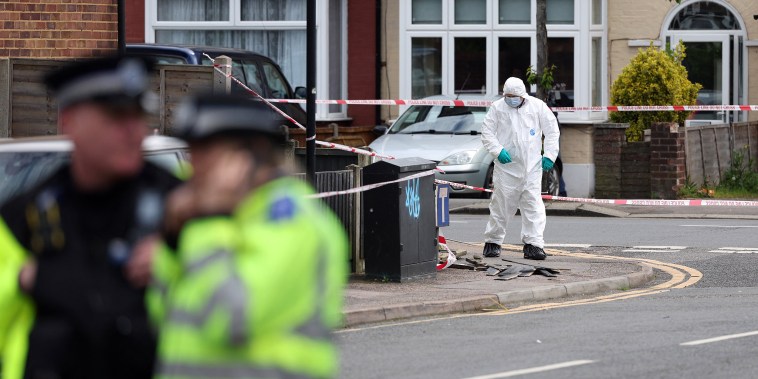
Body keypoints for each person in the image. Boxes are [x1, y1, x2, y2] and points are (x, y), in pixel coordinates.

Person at [0, 56, 181, 379]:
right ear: (68, 122)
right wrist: (24, 281)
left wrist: (176, 260)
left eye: (138, 115)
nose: (133, 131)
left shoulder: (180, 205)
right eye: (116, 116)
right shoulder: (22, 216)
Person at [148, 94, 348, 379]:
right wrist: (171, 241)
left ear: (247, 158)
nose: (191, 165)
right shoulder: (222, 215)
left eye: (204, 152)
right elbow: (165, 314)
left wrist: (208, 220)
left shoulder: (289, 219)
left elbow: (230, 319)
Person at [480, 77, 560, 260]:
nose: (511, 99)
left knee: (533, 207)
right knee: (500, 207)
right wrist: (497, 150)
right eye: (508, 96)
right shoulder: (498, 108)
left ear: (523, 95)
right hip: (506, 169)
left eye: (514, 96)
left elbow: (552, 131)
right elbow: (487, 132)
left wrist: (549, 155)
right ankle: (493, 242)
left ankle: (534, 245)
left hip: (531, 168)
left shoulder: (537, 107)